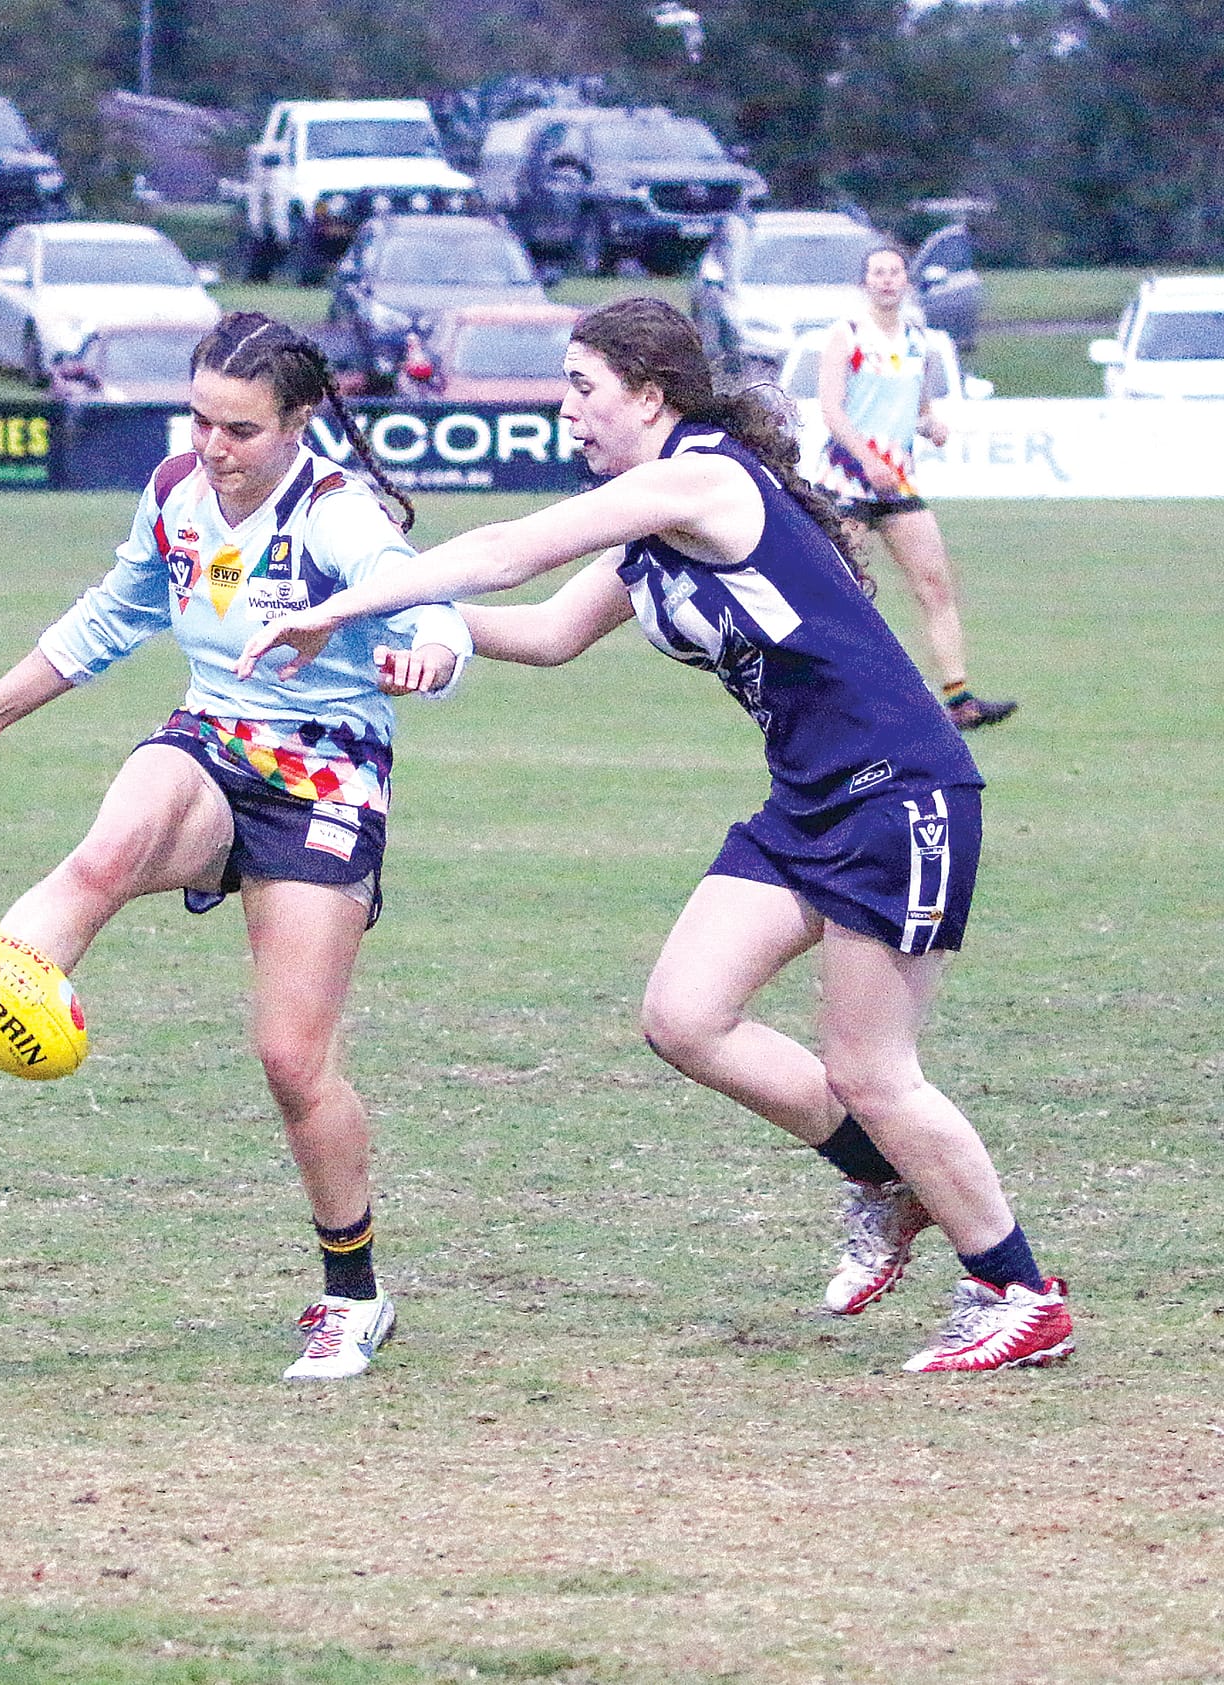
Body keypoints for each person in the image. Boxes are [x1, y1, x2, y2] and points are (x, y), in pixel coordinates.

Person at [239, 296, 1073, 1374]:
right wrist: (386, 635)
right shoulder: (646, 521)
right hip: (807, 801)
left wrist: (352, 598)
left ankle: (1015, 1288)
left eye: (583, 386)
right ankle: (887, 1179)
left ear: (648, 392)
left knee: (872, 1067)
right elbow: (541, 633)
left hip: (893, 790)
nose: (566, 408)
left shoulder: (701, 475)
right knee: (683, 1014)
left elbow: (506, 550)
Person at [0, 311, 471, 1381]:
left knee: (291, 1059)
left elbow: (431, 603)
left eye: (239, 428)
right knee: (107, 849)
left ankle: (353, 1295)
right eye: (199, 418)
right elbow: (111, 615)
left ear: (296, 422)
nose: (212, 446)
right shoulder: (174, 496)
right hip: (210, 740)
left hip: (324, 779)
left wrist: (429, 652)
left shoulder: (334, 516)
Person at [815, 243, 1015, 731]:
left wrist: (933, 426)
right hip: (846, 479)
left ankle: (959, 698)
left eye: (894, 272)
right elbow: (832, 411)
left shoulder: (916, 341)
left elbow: (917, 409)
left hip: (897, 482)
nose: (886, 280)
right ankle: (832, 700)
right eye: (877, 272)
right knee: (843, 592)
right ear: (866, 282)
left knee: (935, 583)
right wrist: (867, 461)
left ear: (906, 281)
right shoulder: (846, 335)